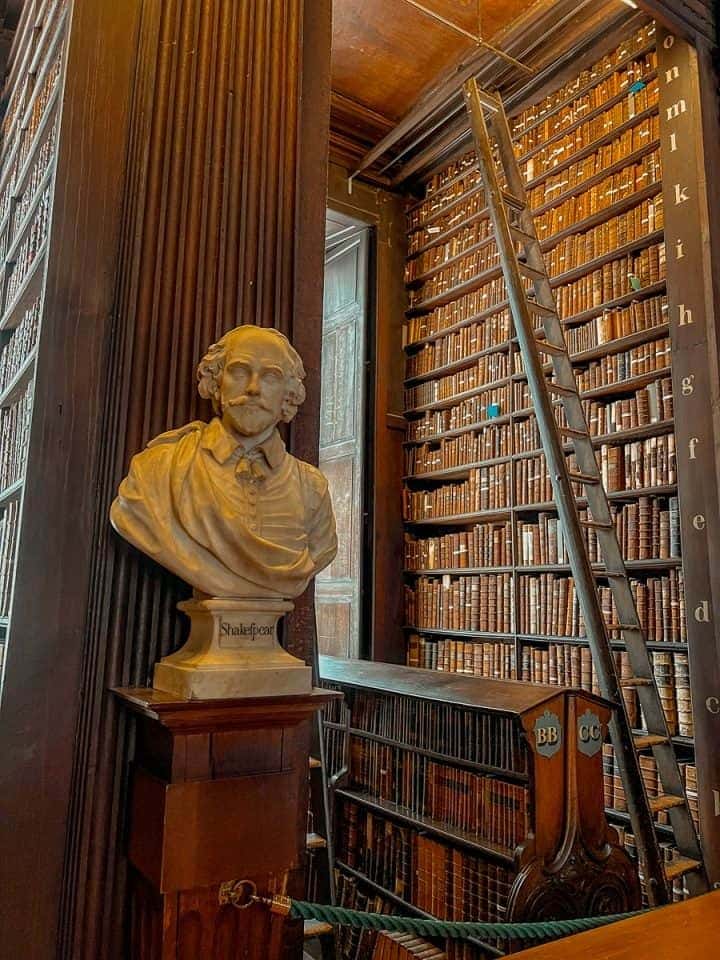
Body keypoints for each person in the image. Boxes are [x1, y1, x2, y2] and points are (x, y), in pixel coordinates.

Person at [110, 325, 337, 599]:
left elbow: (321, 550)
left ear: (288, 394)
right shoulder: (159, 470)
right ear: (217, 384)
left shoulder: (312, 488)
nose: (253, 388)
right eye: (239, 372)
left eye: (270, 376)